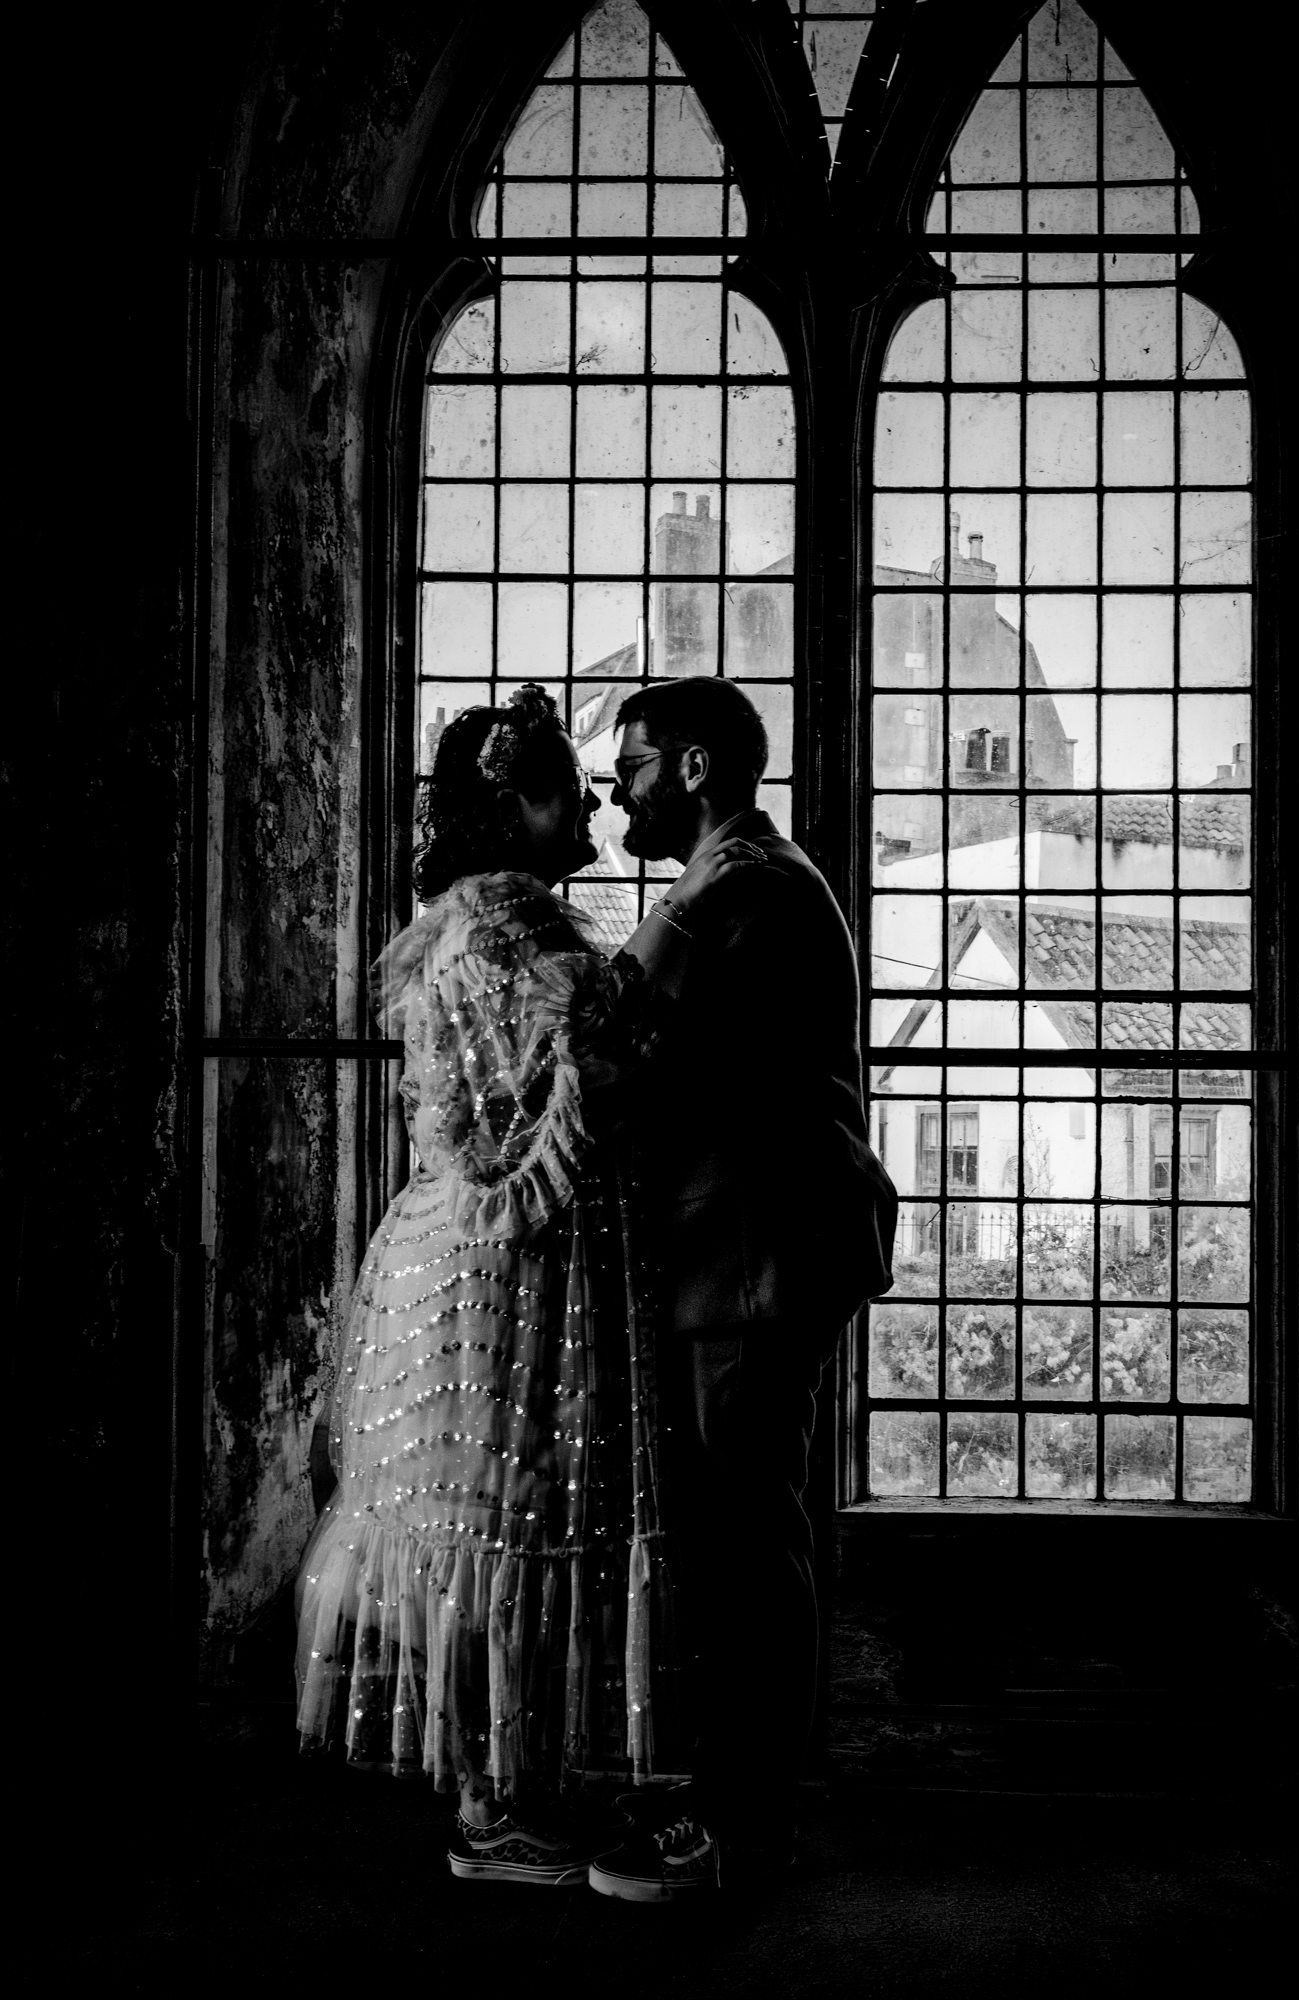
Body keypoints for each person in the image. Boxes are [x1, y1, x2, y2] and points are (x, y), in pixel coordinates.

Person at [294, 683, 765, 1886]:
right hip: (529, 1262)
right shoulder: (519, 927)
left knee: (499, 1508)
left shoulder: (470, 918)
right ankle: (504, 1801)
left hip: (471, 1248)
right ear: (515, 808)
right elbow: (603, 1069)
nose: (593, 805)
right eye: (568, 786)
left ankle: (506, 1789)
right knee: (530, 1503)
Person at [585, 677, 898, 1902]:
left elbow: (611, 1028)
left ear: (700, 766)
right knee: (749, 1530)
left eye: (638, 768)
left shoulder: (736, 888)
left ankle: (746, 1829)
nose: (621, 792)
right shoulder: (745, 877)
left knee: (749, 1540)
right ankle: (736, 1806)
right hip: (752, 1242)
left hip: (753, 1250)